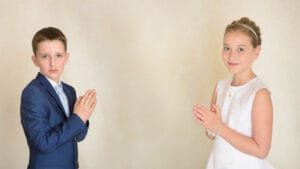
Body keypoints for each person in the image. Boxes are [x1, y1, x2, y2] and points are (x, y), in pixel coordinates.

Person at [193, 17, 274, 169]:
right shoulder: (220, 87)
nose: (231, 56)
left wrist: (219, 127)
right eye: (226, 48)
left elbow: (261, 150)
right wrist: (210, 125)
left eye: (241, 49)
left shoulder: (259, 94)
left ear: (256, 52)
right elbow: (214, 135)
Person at [20, 27, 97, 169]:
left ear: (66, 58)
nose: (53, 63)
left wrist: (84, 117)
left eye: (58, 56)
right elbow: (42, 143)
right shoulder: (32, 93)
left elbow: (78, 136)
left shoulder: (69, 91)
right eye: (45, 56)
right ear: (34, 60)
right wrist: (78, 118)